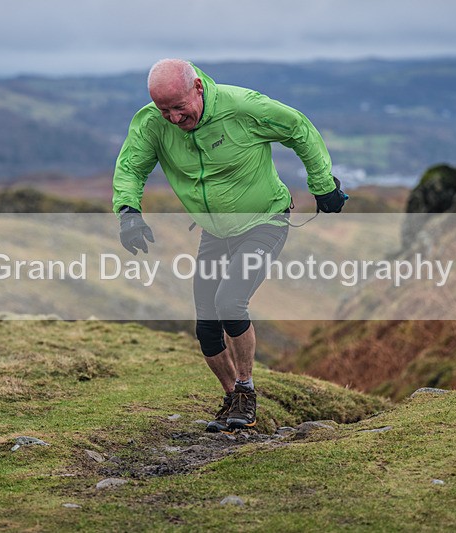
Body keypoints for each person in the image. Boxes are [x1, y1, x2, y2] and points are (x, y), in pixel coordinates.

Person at [112, 59, 345, 433]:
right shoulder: (152, 122)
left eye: (178, 107)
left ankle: (247, 389)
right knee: (206, 326)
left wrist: (323, 186)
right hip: (214, 232)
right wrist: (128, 212)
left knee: (230, 302)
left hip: (264, 221)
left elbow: (298, 128)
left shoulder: (243, 107)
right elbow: (131, 167)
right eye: (163, 109)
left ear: (198, 88)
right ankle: (233, 398)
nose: (172, 117)